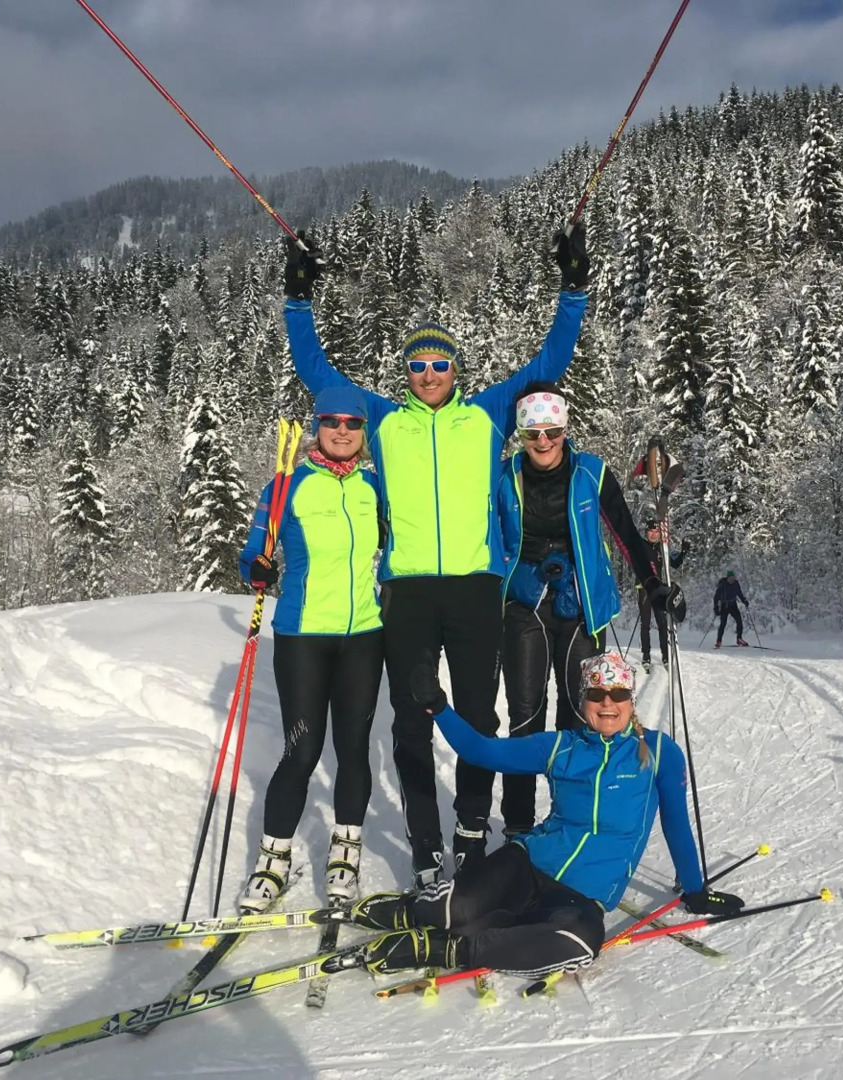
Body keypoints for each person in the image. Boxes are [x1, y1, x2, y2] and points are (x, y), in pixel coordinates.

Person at [282, 223, 591, 886]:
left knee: (482, 717)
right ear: (406, 373)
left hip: (477, 588)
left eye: (439, 363)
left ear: (456, 370)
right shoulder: (384, 420)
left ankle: (473, 836)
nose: (428, 374)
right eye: (418, 365)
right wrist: (298, 298)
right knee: (413, 720)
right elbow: (318, 375)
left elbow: (548, 367)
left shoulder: (485, 415)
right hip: (410, 593)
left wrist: (573, 288)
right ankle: (426, 850)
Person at [347, 653, 744, 978]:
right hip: (525, 864)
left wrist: (694, 890)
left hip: (580, 896)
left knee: (581, 940)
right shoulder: (560, 747)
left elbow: (676, 822)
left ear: (631, 700)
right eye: (597, 693)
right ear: (583, 699)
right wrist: (438, 706)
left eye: (619, 692)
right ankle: (412, 910)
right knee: (448, 911)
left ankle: (455, 950)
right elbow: (482, 752)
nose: (608, 702)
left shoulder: (658, 752)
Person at [233, 386, 384, 914]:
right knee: (301, 752)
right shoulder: (285, 486)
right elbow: (254, 549)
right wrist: (255, 566)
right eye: (332, 420)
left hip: (364, 635)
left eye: (353, 422)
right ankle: (272, 860)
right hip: (301, 636)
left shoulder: (373, 487)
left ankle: (346, 850)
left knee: (353, 749)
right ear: (316, 426)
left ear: (364, 433)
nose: (342, 429)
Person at [496, 383, 668, 838]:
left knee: (580, 717)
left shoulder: (592, 472)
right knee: (525, 717)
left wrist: (653, 583)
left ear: (564, 427)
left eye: (552, 430)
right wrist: (517, 576)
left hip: (582, 606)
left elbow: (625, 533)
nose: (544, 442)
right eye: (533, 433)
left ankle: (569, 820)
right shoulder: (504, 476)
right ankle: (517, 827)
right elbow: (486, 546)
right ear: (521, 434)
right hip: (524, 604)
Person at [637, 520, 688, 672]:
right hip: (644, 588)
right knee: (645, 623)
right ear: (646, 533)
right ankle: (646, 655)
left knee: (661, 623)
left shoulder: (663, 548)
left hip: (659, 589)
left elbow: (675, 563)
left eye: (656, 532)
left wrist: (683, 552)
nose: (653, 535)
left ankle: (665, 655)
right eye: (651, 532)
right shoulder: (640, 546)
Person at [713, 570, 750, 648]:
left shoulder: (736, 584)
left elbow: (739, 594)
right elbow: (716, 597)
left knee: (739, 621)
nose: (731, 580)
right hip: (724, 605)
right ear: (727, 578)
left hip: (733, 605)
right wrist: (716, 607)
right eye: (730, 578)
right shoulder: (723, 585)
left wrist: (744, 601)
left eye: (733, 578)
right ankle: (719, 641)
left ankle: (739, 639)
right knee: (723, 623)